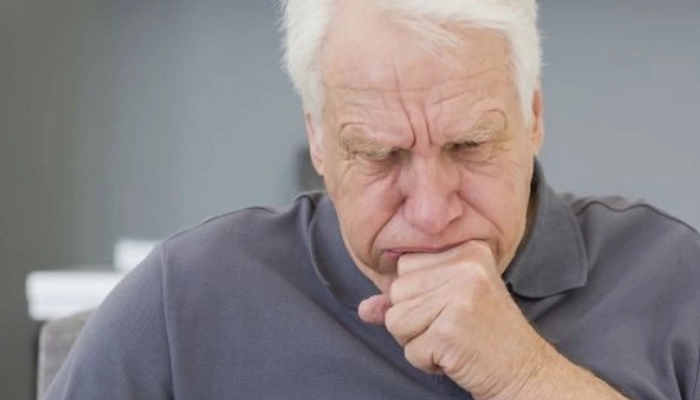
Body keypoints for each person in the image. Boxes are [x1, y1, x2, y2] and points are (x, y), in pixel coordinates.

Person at [44, 1, 700, 399]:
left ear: (533, 117)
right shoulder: (182, 302)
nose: (431, 212)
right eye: (381, 155)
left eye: (470, 145)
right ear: (319, 141)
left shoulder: (673, 282)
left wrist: (523, 378)